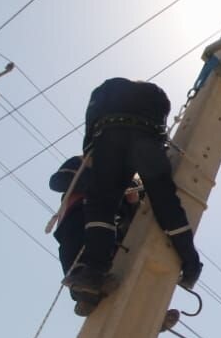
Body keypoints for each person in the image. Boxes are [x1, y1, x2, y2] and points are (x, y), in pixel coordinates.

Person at [62, 78, 202, 312]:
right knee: (165, 202)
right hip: (146, 139)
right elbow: (162, 120)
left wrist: (91, 149)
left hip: (109, 136)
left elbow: (93, 112)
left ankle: (94, 272)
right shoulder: (156, 94)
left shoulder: (109, 87)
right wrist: (157, 150)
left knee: (101, 206)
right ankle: (191, 262)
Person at [48, 155, 141, 276]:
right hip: (78, 218)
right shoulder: (86, 160)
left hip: (115, 236)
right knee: (80, 277)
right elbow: (57, 181)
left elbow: (141, 216)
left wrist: (134, 201)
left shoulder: (135, 179)